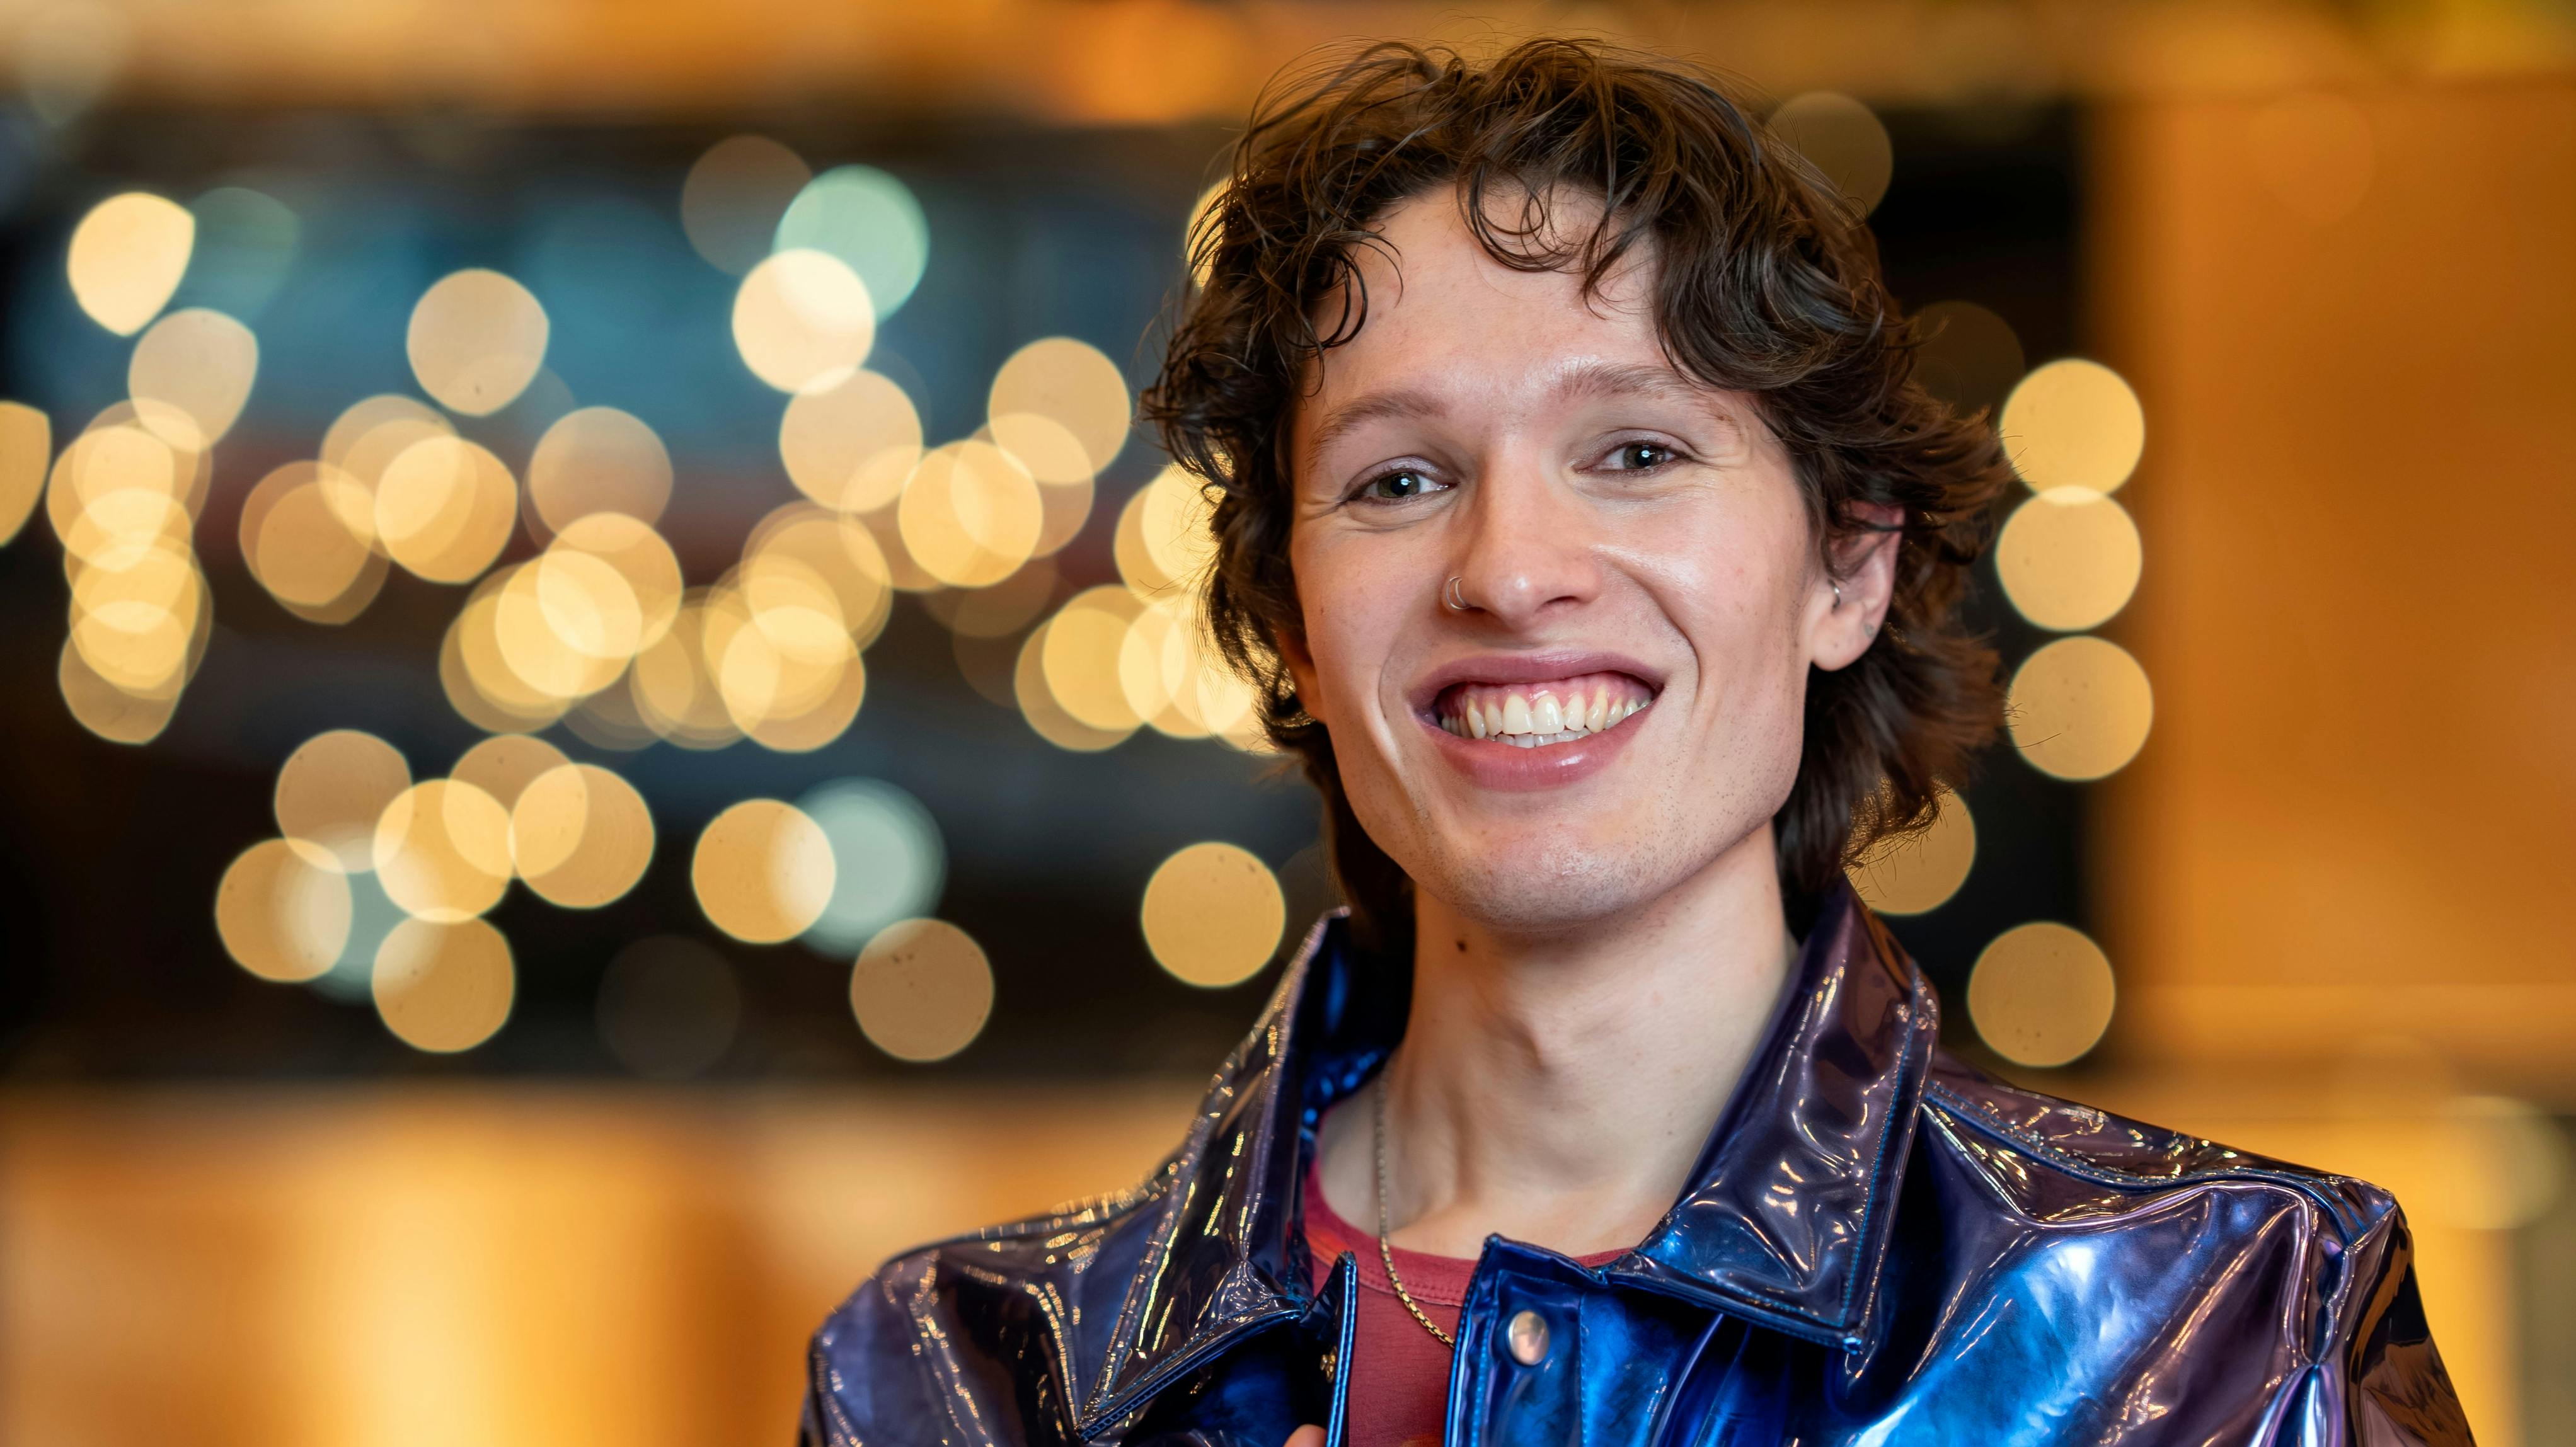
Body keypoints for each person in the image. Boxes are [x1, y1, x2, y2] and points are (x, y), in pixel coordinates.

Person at [802, 38, 2470, 1447]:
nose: (1512, 570)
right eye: (1399, 478)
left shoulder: (2227, 1323)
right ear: (1295, 627)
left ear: (1847, 566)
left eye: (1639, 451)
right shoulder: (950, 1381)